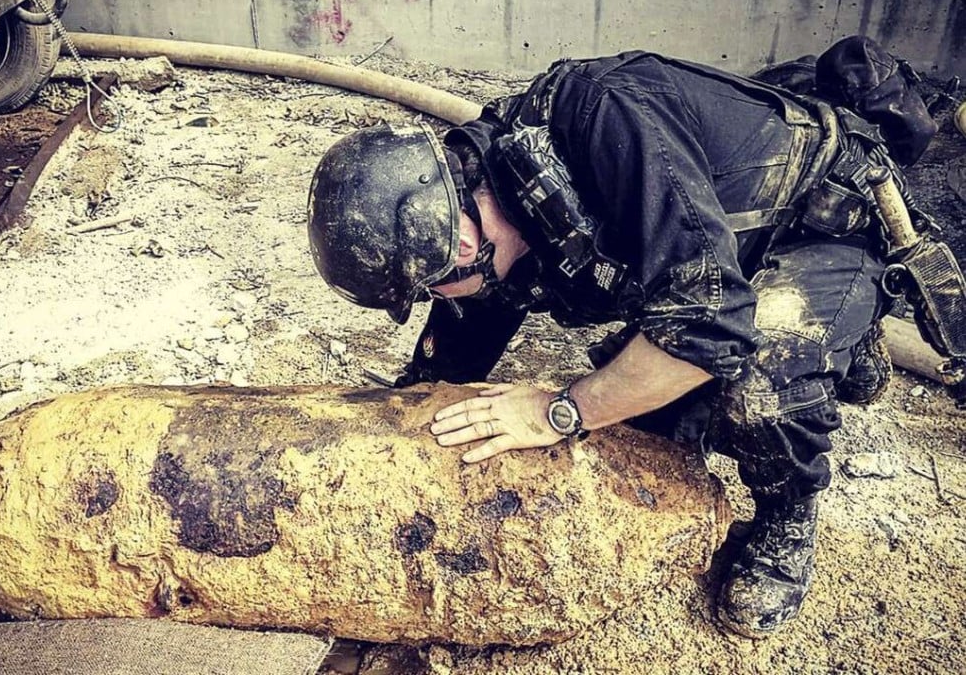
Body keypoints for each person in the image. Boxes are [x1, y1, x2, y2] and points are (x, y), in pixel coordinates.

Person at [306, 37, 942, 638]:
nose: (433, 301)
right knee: (657, 432)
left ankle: (788, 516)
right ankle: (835, 350)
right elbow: (477, 309)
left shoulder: (606, 113)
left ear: (463, 241)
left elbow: (706, 325)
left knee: (755, 380)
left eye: (429, 286)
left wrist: (562, 410)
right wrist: (413, 407)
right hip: (707, 255)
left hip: (817, 231)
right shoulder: (487, 192)